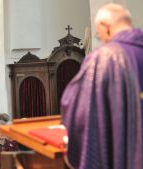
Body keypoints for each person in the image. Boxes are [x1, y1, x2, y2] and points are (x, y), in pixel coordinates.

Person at [61, 3, 143, 169]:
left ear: (106, 27)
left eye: (99, 36)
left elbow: (76, 106)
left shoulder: (104, 58)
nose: (104, 41)